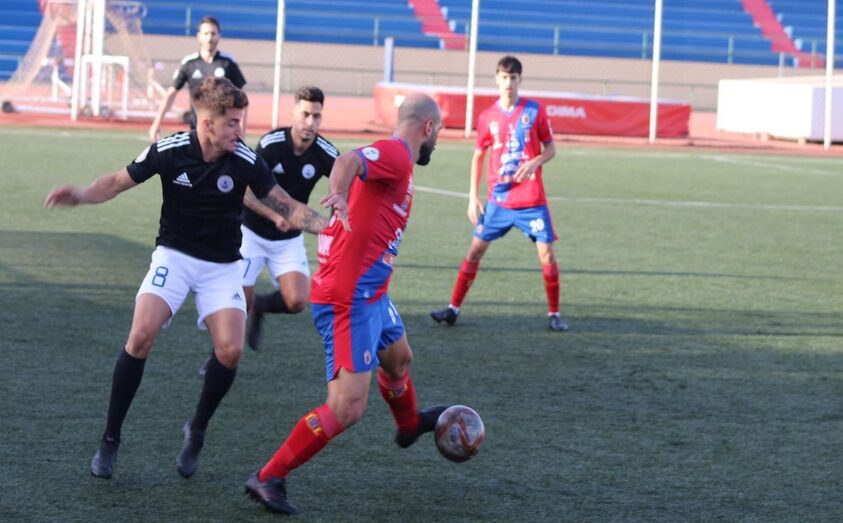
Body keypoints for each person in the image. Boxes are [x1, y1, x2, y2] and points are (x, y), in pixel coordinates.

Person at [44, 77, 329, 480]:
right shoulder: (170, 150)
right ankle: (110, 438)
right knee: (141, 334)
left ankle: (196, 430)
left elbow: (287, 205)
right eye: (232, 123)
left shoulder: (246, 159)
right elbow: (117, 181)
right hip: (175, 256)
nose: (240, 130)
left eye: (241, 121)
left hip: (222, 265)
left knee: (230, 351)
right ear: (207, 124)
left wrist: (332, 226)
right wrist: (81, 194)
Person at [244, 93, 447, 515]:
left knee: (399, 358)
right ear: (427, 128)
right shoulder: (396, 153)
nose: (437, 140)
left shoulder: (399, 161)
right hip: (347, 297)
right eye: (439, 132)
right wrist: (337, 193)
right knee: (348, 407)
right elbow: (348, 160)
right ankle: (268, 476)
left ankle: (408, 426)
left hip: (372, 291)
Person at [430, 55, 569, 332]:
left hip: (531, 200)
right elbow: (478, 155)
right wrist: (473, 196)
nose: (508, 83)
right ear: (496, 79)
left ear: (520, 80)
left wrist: (534, 161)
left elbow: (551, 149)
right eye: (504, 77)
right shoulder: (487, 117)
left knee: (548, 256)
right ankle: (452, 309)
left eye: (513, 78)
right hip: (499, 201)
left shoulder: (534, 110)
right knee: (475, 251)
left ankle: (554, 314)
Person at [242, 85, 339, 351]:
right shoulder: (271, 145)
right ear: (294, 112)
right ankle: (217, 355)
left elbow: (344, 186)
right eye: (305, 114)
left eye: (316, 116)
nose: (310, 122)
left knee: (297, 300)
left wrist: (337, 212)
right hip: (251, 233)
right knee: (237, 304)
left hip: (288, 239)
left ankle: (261, 306)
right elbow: (245, 193)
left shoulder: (326, 152)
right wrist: (274, 215)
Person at [148, 15, 247, 142]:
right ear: (199, 36)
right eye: (206, 34)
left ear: (219, 36)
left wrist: (241, 130)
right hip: (197, 131)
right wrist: (157, 123)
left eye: (213, 33)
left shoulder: (228, 62)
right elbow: (171, 93)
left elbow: (242, 99)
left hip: (223, 134)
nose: (209, 38)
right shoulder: (190, 63)